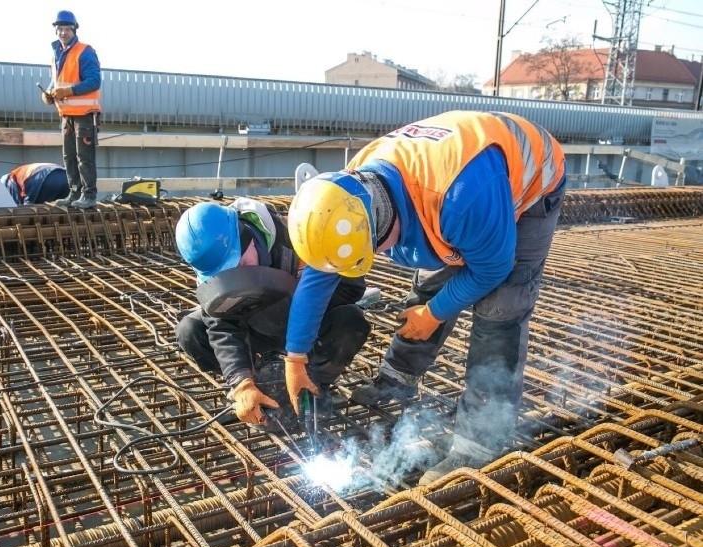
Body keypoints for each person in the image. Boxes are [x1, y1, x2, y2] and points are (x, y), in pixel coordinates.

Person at [284, 110, 566, 484]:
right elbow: (319, 277)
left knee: (500, 311)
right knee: (430, 286)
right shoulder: (341, 199)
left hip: (530, 180)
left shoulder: (459, 202)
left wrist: (435, 313)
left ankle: (479, 445)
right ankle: (397, 378)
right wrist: (296, 357)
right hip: (450, 184)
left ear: (381, 229)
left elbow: (492, 269)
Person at [174, 198, 371, 428]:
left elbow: (353, 288)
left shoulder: (297, 236)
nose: (240, 275)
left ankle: (314, 388)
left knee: (351, 321)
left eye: (242, 264)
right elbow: (222, 327)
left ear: (247, 236)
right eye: (229, 273)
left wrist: (304, 296)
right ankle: (259, 386)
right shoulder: (212, 279)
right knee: (190, 331)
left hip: (309, 327)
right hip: (256, 328)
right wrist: (241, 381)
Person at [41, 10, 102, 209]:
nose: (63, 32)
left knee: (84, 157)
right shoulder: (56, 53)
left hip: (84, 115)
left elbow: (94, 81)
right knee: (69, 156)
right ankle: (74, 192)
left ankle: (88, 195)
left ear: (74, 30)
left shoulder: (85, 51)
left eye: (67, 29)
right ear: (56, 30)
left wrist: (67, 90)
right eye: (60, 29)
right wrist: (50, 93)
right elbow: (57, 81)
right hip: (66, 115)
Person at [0, 163, 71, 205]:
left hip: (44, 180)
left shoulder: (9, 180)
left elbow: (16, 203)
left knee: (28, 211)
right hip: (66, 177)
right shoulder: (19, 171)